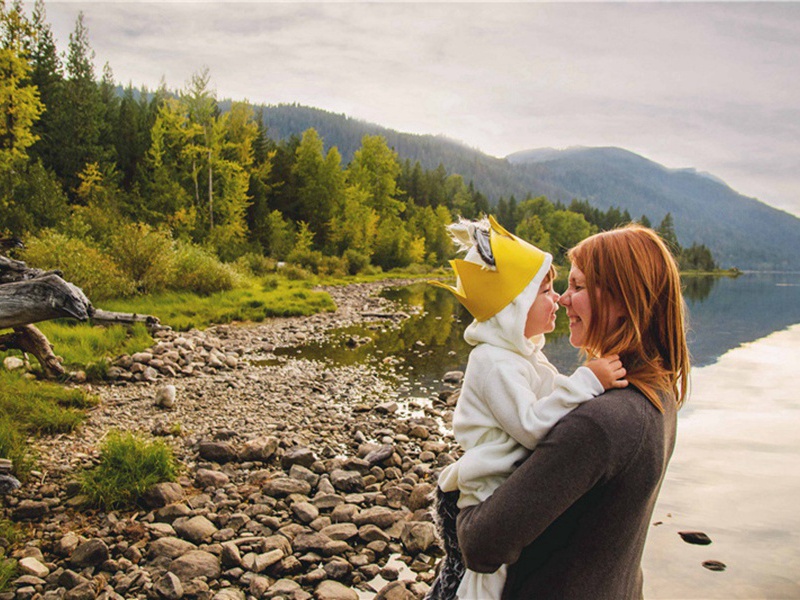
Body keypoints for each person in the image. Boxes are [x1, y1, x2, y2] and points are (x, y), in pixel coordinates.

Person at [455, 223, 691, 600]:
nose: (563, 299)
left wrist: (461, 510)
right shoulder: (658, 394)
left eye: (577, 286)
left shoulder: (598, 425)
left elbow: (481, 545)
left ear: (621, 302)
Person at [428, 216, 628, 600]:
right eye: (546, 291)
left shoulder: (524, 355)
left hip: (506, 481)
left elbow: (554, 399)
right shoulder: (493, 362)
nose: (557, 299)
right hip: (486, 490)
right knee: (486, 584)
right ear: (513, 307)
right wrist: (589, 380)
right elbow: (533, 426)